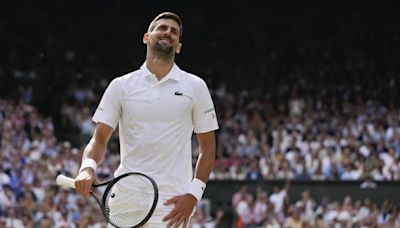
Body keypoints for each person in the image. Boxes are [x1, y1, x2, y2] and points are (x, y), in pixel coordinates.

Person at [74, 12, 219, 228]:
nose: (168, 33)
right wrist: (87, 167)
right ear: (146, 37)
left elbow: (208, 147)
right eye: (162, 28)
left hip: (173, 206)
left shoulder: (195, 86)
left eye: (174, 32)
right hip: (126, 198)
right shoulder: (120, 86)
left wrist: (194, 194)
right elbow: (99, 140)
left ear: (178, 46)